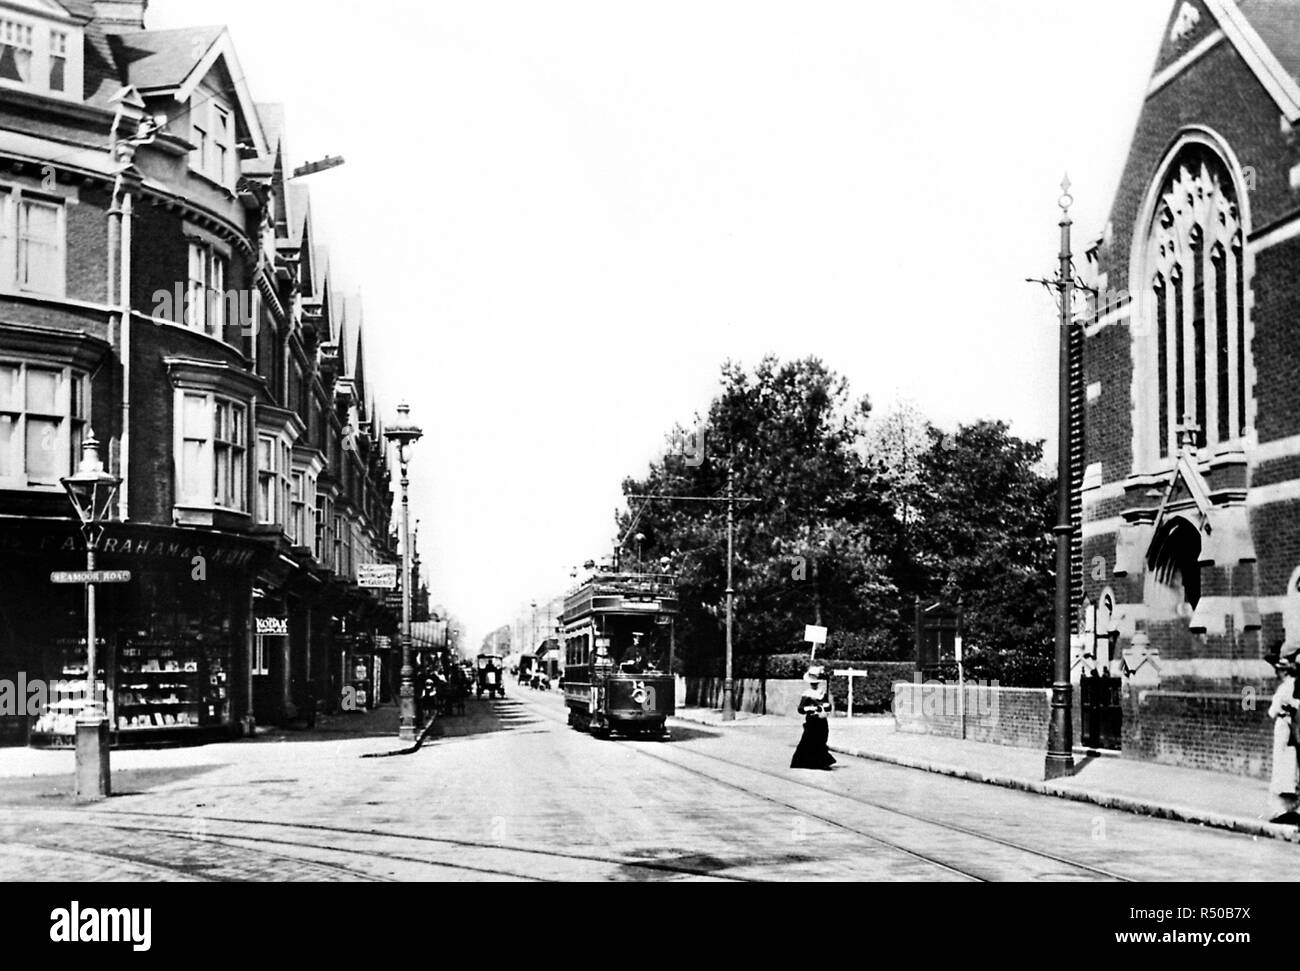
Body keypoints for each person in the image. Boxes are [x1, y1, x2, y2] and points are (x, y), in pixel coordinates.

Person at [1267, 646, 1299, 823]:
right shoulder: (1294, 686)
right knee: (1291, 766)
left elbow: (1272, 711)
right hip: (1293, 728)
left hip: (1283, 728)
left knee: (1281, 766)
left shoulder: (1283, 689)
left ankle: (1280, 810)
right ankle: (1292, 807)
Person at [791, 665, 836, 771]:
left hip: (821, 720)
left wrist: (826, 706)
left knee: (821, 740)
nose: (814, 685)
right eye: (812, 683)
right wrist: (810, 708)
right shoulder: (807, 694)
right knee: (809, 740)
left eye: (816, 683)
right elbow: (800, 709)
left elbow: (828, 705)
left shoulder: (822, 693)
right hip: (812, 721)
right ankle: (812, 762)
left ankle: (820, 762)